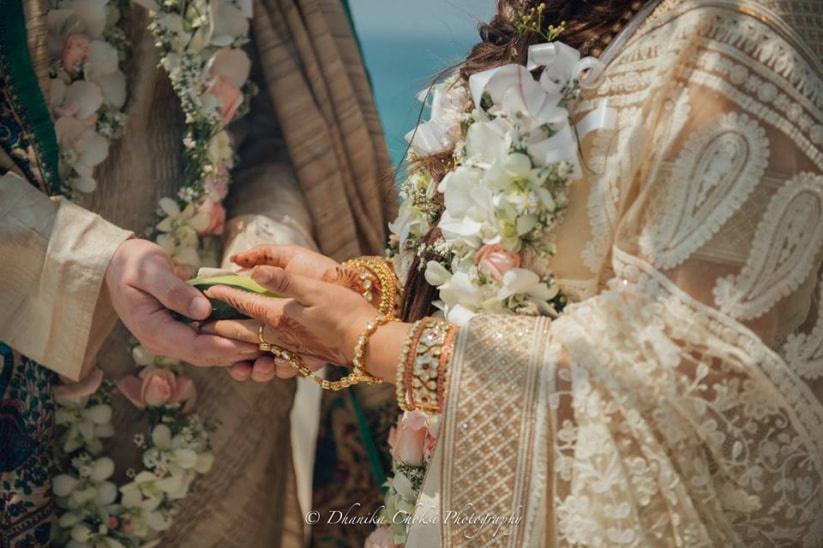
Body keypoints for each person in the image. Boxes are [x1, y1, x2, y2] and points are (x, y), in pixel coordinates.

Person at [204, 0, 823, 545]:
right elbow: (531, 280)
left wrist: (377, 344)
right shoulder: (563, 23)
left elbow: (696, 374)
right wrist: (367, 302)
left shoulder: (731, 48)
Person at [0, 0, 395, 544]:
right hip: (41, 370)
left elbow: (285, 128)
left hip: (229, 395)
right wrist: (92, 261)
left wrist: (266, 252)